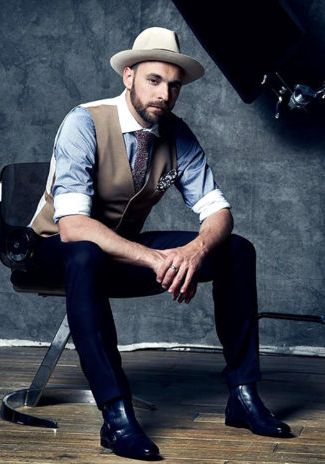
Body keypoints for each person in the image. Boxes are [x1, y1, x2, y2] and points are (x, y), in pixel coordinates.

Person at [29, 27, 291, 461]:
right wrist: (154, 259)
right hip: (52, 249)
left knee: (236, 250)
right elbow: (73, 226)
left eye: (174, 85)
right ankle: (116, 416)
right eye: (154, 80)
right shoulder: (84, 122)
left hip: (121, 249)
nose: (165, 94)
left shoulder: (176, 133)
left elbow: (218, 212)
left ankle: (243, 396)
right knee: (84, 252)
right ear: (129, 76)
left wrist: (194, 252)